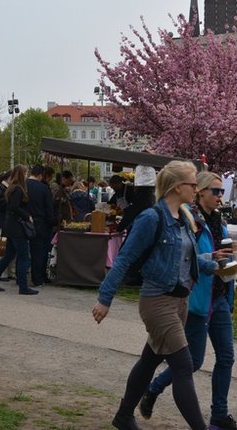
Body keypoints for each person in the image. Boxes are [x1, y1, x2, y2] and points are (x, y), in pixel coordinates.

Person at [92, 161, 219, 430]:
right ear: (176, 187)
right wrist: (105, 298)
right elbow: (125, 259)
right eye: (192, 184)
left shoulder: (183, 217)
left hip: (179, 302)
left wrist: (216, 264)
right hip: (157, 302)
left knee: (150, 359)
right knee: (184, 367)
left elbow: (190, 260)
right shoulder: (151, 218)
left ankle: (124, 415)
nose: (196, 189)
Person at [140, 171, 237, 430]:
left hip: (218, 297)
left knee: (226, 357)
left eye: (222, 192)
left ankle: (219, 414)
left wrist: (230, 292)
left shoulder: (220, 220)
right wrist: (212, 256)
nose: (221, 196)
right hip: (197, 299)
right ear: (201, 191)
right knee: (193, 362)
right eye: (216, 191)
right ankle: (153, 388)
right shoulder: (191, 219)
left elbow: (223, 259)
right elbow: (186, 257)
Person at [0, 164, 38, 295]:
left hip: (9, 226)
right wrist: (27, 216)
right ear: (22, 174)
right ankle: (23, 286)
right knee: (23, 256)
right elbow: (14, 207)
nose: (27, 176)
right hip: (17, 227)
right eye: (25, 173)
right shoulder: (18, 189)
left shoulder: (12, 188)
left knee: (8, 255)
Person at [27, 164, 55, 286]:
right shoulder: (43, 188)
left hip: (26, 221)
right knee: (41, 252)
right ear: (41, 175)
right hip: (42, 223)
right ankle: (39, 277)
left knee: (27, 252)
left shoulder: (23, 185)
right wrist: (52, 222)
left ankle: (23, 277)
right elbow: (49, 208)